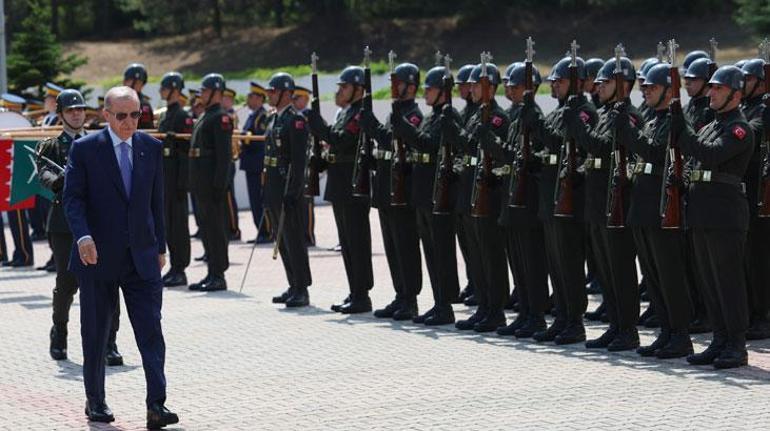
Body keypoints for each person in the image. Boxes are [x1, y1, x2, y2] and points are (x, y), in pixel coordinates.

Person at [62, 86, 178, 428]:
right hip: (96, 258)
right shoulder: (85, 150)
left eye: (136, 114)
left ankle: (156, 405)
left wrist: (160, 247)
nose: (131, 122)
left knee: (151, 333)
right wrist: (83, 236)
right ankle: (95, 400)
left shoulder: (151, 148)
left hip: (142, 258)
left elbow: (158, 203)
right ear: (107, 115)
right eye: (123, 115)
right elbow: (73, 199)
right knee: (96, 334)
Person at [672, 66, 755, 369]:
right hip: (702, 212)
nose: (712, 92)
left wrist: (683, 129)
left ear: (736, 94)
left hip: (725, 214)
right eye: (712, 88)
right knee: (709, 281)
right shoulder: (710, 125)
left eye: (719, 89)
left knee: (728, 282)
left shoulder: (740, 129)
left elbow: (711, 155)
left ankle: (736, 344)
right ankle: (719, 340)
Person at [37, 89, 123, 365]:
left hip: (98, 222)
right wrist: (61, 180)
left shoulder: (99, 142)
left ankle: (110, 341)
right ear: (61, 114)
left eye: (80, 109)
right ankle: (59, 332)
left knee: (107, 282)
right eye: (71, 110)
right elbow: (44, 174)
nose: (76, 113)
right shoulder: (51, 146)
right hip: (65, 224)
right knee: (67, 283)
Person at [521, 52, 598, 344]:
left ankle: (574, 321)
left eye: (560, 81)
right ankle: (562, 316)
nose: (554, 86)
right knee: (556, 262)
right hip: (550, 195)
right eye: (552, 82)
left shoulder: (584, 112)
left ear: (575, 83)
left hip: (570, 199)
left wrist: (536, 122)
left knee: (569, 262)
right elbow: (547, 146)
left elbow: (558, 140)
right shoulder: (559, 110)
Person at [619, 62, 694, 358]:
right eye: (644, 87)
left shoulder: (676, 122)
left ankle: (680, 334)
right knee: (652, 275)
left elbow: (653, 152)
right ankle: (666, 331)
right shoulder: (653, 121)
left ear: (667, 90)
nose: (645, 91)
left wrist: (627, 131)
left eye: (651, 87)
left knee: (669, 274)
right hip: (643, 208)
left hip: (663, 210)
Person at [570, 55, 642, 351]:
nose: (598, 87)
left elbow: (599, 148)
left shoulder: (629, 116)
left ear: (623, 85)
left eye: (605, 82)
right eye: (597, 82)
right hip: (598, 201)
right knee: (606, 268)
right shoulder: (606, 114)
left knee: (621, 269)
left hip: (618, 204)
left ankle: (628, 329)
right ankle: (615, 324)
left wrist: (577, 126)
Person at [359, 62, 425, 322]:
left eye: (396, 83)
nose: (392, 88)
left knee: (406, 245)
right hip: (387, 187)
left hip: (403, 189)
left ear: (410, 85)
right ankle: (400, 294)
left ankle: (411, 298)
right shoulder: (395, 112)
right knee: (392, 246)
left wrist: (373, 127)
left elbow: (393, 139)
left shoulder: (414, 115)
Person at [307, 65, 374, 313]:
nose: (340, 91)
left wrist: (319, 126)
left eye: (344, 87)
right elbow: (334, 144)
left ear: (358, 89)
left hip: (353, 184)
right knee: (346, 242)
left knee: (356, 241)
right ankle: (354, 291)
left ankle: (362, 295)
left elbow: (342, 140)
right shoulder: (346, 114)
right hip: (340, 183)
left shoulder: (359, 116)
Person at [263, 73, 312, 307]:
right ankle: (292, 283)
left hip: (288, 186)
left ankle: (302, 288)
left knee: (294, 238)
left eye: (272, 91)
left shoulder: (296, 121)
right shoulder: (274, 119)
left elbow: (299, 161)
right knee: (281, 238)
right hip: (273, 184)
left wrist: (293, 191)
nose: (269, 95)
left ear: (285, 93)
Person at [188, 74, 233, 292]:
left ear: (216, 92)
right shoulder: (207, 115)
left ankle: (219, 274)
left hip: (211, 184)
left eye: (205, 91)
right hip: (201, 182)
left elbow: (224, 156)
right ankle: (211, 272)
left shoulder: (220, 118)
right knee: (206, 228)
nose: (201, 94)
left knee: (216, 229)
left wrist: (219, 184)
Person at [740, 58, 770, 340]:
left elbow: (752, 134)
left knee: (760, 258)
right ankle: (753, 311)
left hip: (762, 193)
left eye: (747, 79)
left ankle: (764, 314)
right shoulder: (747, 108)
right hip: (747, 192)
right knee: (749, 258)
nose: (742, 84)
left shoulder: (762, 109)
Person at [157, 72, 194, 288]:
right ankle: (174, 267)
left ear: (174, 89)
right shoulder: (165, 115)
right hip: (166, 177)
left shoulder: (182, 116)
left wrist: (183, 183)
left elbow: (185, 152)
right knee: (169, 225)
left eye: (164, 87)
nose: (161, 91)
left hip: (177, 179)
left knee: (179, 226)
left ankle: (180, 268)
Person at [240, 81, 273, 244]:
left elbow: (260, 140)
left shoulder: (263, 116)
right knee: (254, 200)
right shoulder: (253, 115)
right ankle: (260, 231)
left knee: (260, 199)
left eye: (251, 96)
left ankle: (266, 231)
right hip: (250, 163)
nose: (248, 99)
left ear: (260, 98)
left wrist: (244, 137)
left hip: (258, 163)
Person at [122, 63, 154, 129]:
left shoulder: (143, 105)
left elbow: (145, 129)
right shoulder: (124, 101)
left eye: (127, 80)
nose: (124, 83)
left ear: (138, 83)